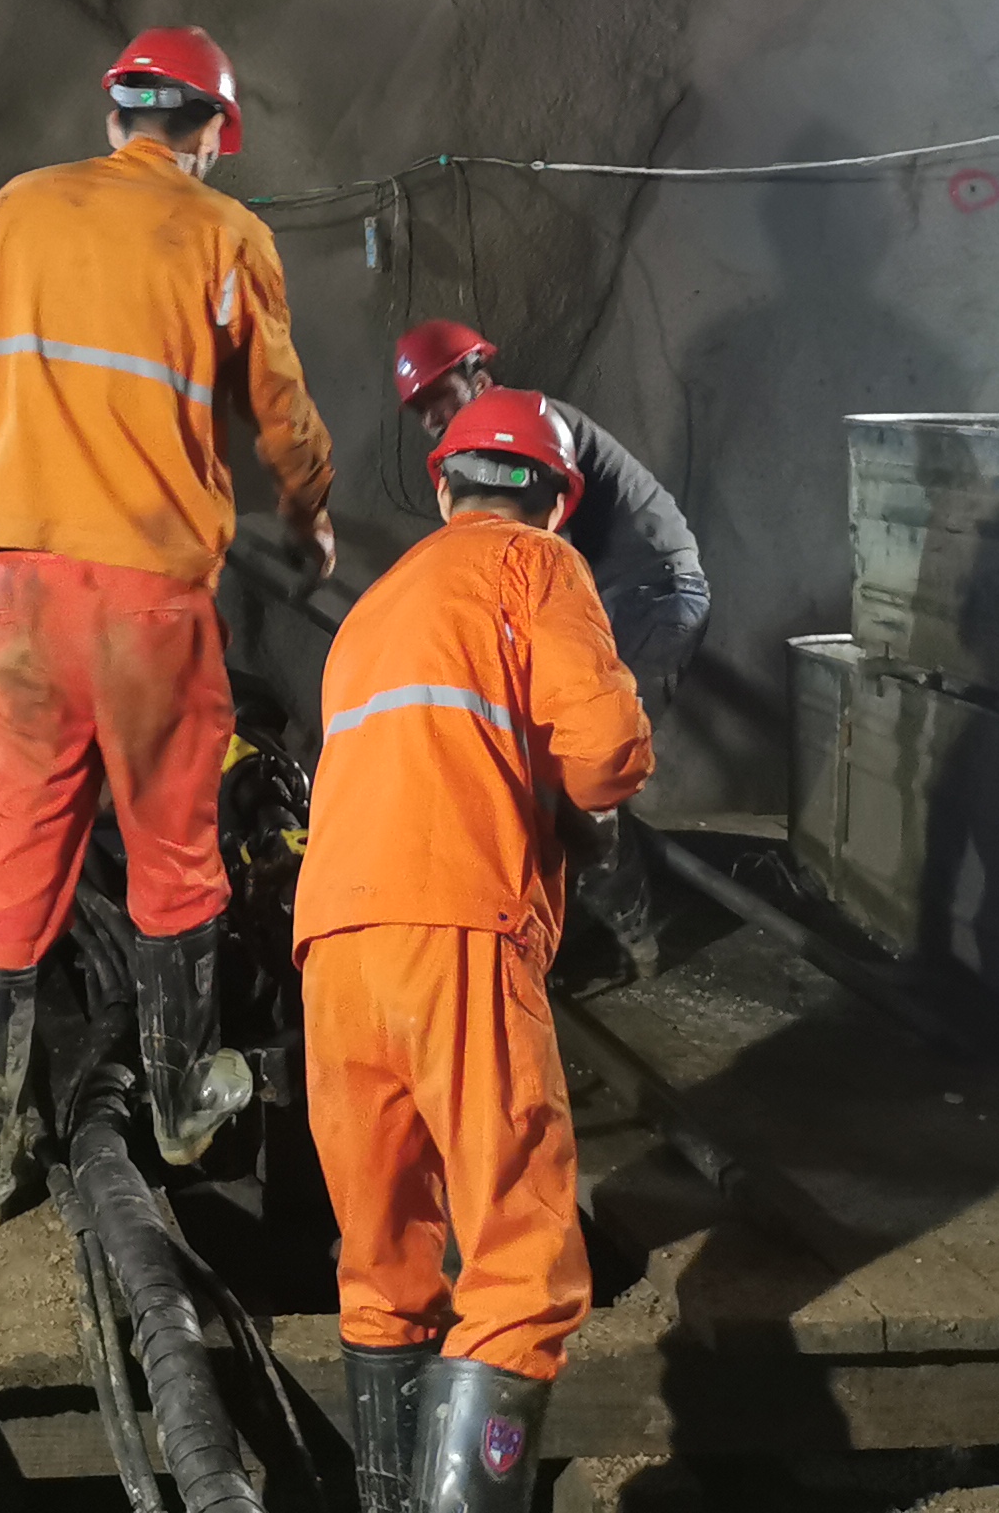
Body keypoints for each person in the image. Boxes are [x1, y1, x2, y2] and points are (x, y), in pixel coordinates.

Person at [0, 25, 336, 1222]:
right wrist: (310, 509)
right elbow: (280, 407)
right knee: (175, 846)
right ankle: (185, 1103)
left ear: (114, 120)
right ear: (213, 136)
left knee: (13, 858)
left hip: (17, 597)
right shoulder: (224, 234)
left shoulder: (15, 212)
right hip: (149, 600)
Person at [297, 387, 651, 1513]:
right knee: (516, 1265)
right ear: (557, 501)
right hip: (453, 931)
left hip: (332, 952)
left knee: (382, 1266)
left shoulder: (373, 605)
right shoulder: (538, 567)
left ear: (446, 488)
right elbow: (605, 755)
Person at [392, 319, 706, 979]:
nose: (431, 420)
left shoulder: (530, 432)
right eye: (419, 409)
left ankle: (634, 933)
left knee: (582, 762)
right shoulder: (494, 443)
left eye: (438, 397)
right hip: (618, 590)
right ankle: (574, 909)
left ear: (478, 375)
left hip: (654, 591)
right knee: (552, 756)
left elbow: (525, 568)